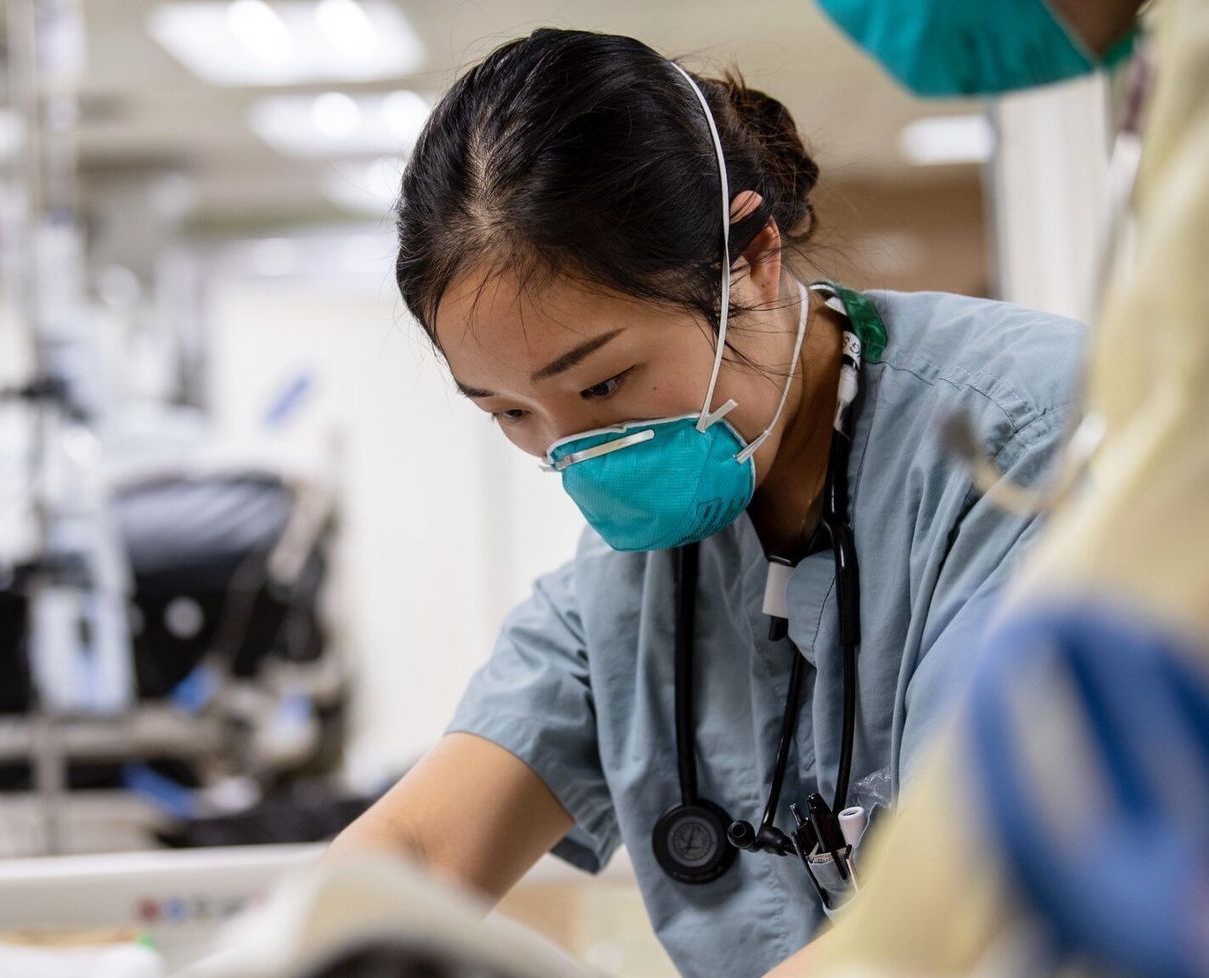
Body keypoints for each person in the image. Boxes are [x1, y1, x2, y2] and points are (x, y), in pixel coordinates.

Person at [328, 28, 1083, 978]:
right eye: (512, 413)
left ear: (756, 261)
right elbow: (414, 861)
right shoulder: (630, 586)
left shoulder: (1031, 445)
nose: (576, 454)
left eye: (603, 386)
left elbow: (961, 912)